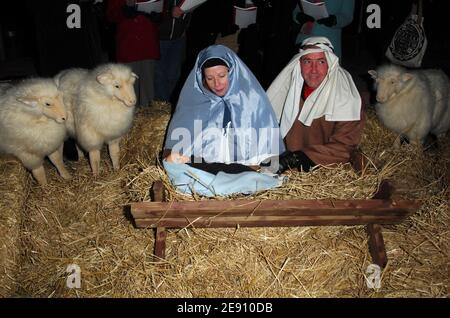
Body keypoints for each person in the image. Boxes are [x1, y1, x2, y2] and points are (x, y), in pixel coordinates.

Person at [162, 44, 285, 196]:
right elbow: (177, 155)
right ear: (202, 78)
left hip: (246, 170)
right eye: (210, 78)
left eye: (221, 76)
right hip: (205, 170)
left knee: (259, 178)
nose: (217, 84)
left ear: (232, 72)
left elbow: (268, 157)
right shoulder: (193, 105)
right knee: (174, 164)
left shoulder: (253, 101)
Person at [267, 36, 364, 174]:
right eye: (307, 61)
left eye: (321, 62)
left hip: (326, 170)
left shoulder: (346, 99)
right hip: (287, 169)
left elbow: (344, 148)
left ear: (330, 64)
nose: (313, 70)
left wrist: (296, 159)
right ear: (299, 64)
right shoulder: (289, 90)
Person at [106, 0, 160, 107]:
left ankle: (147, 121)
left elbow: (163, 10)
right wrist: (124, 8)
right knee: (126, 90)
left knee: (147, 91)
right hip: (128, 46)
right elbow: (110, 15)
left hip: (148, 45)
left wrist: (159, 16)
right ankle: (128, 121)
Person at [154, 1, 192, 103]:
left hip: (179, 37)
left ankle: (172, 104)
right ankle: (163, 105)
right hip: (160, 38)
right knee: (160, 74)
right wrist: (169, 11)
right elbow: (153, 8)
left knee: (174, 74)